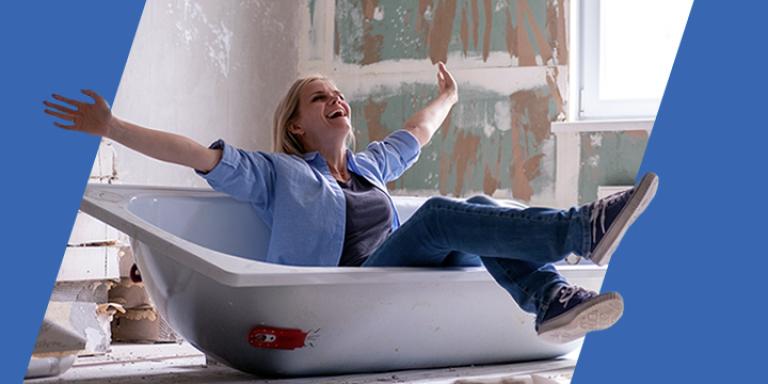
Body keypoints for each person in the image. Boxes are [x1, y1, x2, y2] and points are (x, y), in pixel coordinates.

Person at [44, 62, 658, 344]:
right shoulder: (277, 173)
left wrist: (449, 95)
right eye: (320, 99)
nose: (337, 100)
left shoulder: (369, 169)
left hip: (403, 272)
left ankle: (548, 297)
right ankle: (585, 226)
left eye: (339, 95)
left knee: (470, 204)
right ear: (297, 127)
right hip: (349, 284)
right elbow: (196, 155)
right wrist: (113, 127)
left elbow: (417, 131)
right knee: (445, 213)